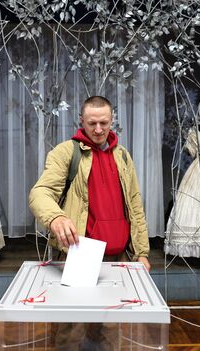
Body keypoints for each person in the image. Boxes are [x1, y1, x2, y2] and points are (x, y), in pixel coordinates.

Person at [29, 95, 150, 270]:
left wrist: (142, 253)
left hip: (123, 256)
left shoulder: (122, 155)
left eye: (104, 123)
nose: (99, 129)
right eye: (92, 123)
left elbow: (135, 204)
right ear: (82, 121)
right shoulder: (65, 152)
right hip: (80, 256)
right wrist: (55, 217)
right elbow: (40, 192)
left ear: (112, 120)